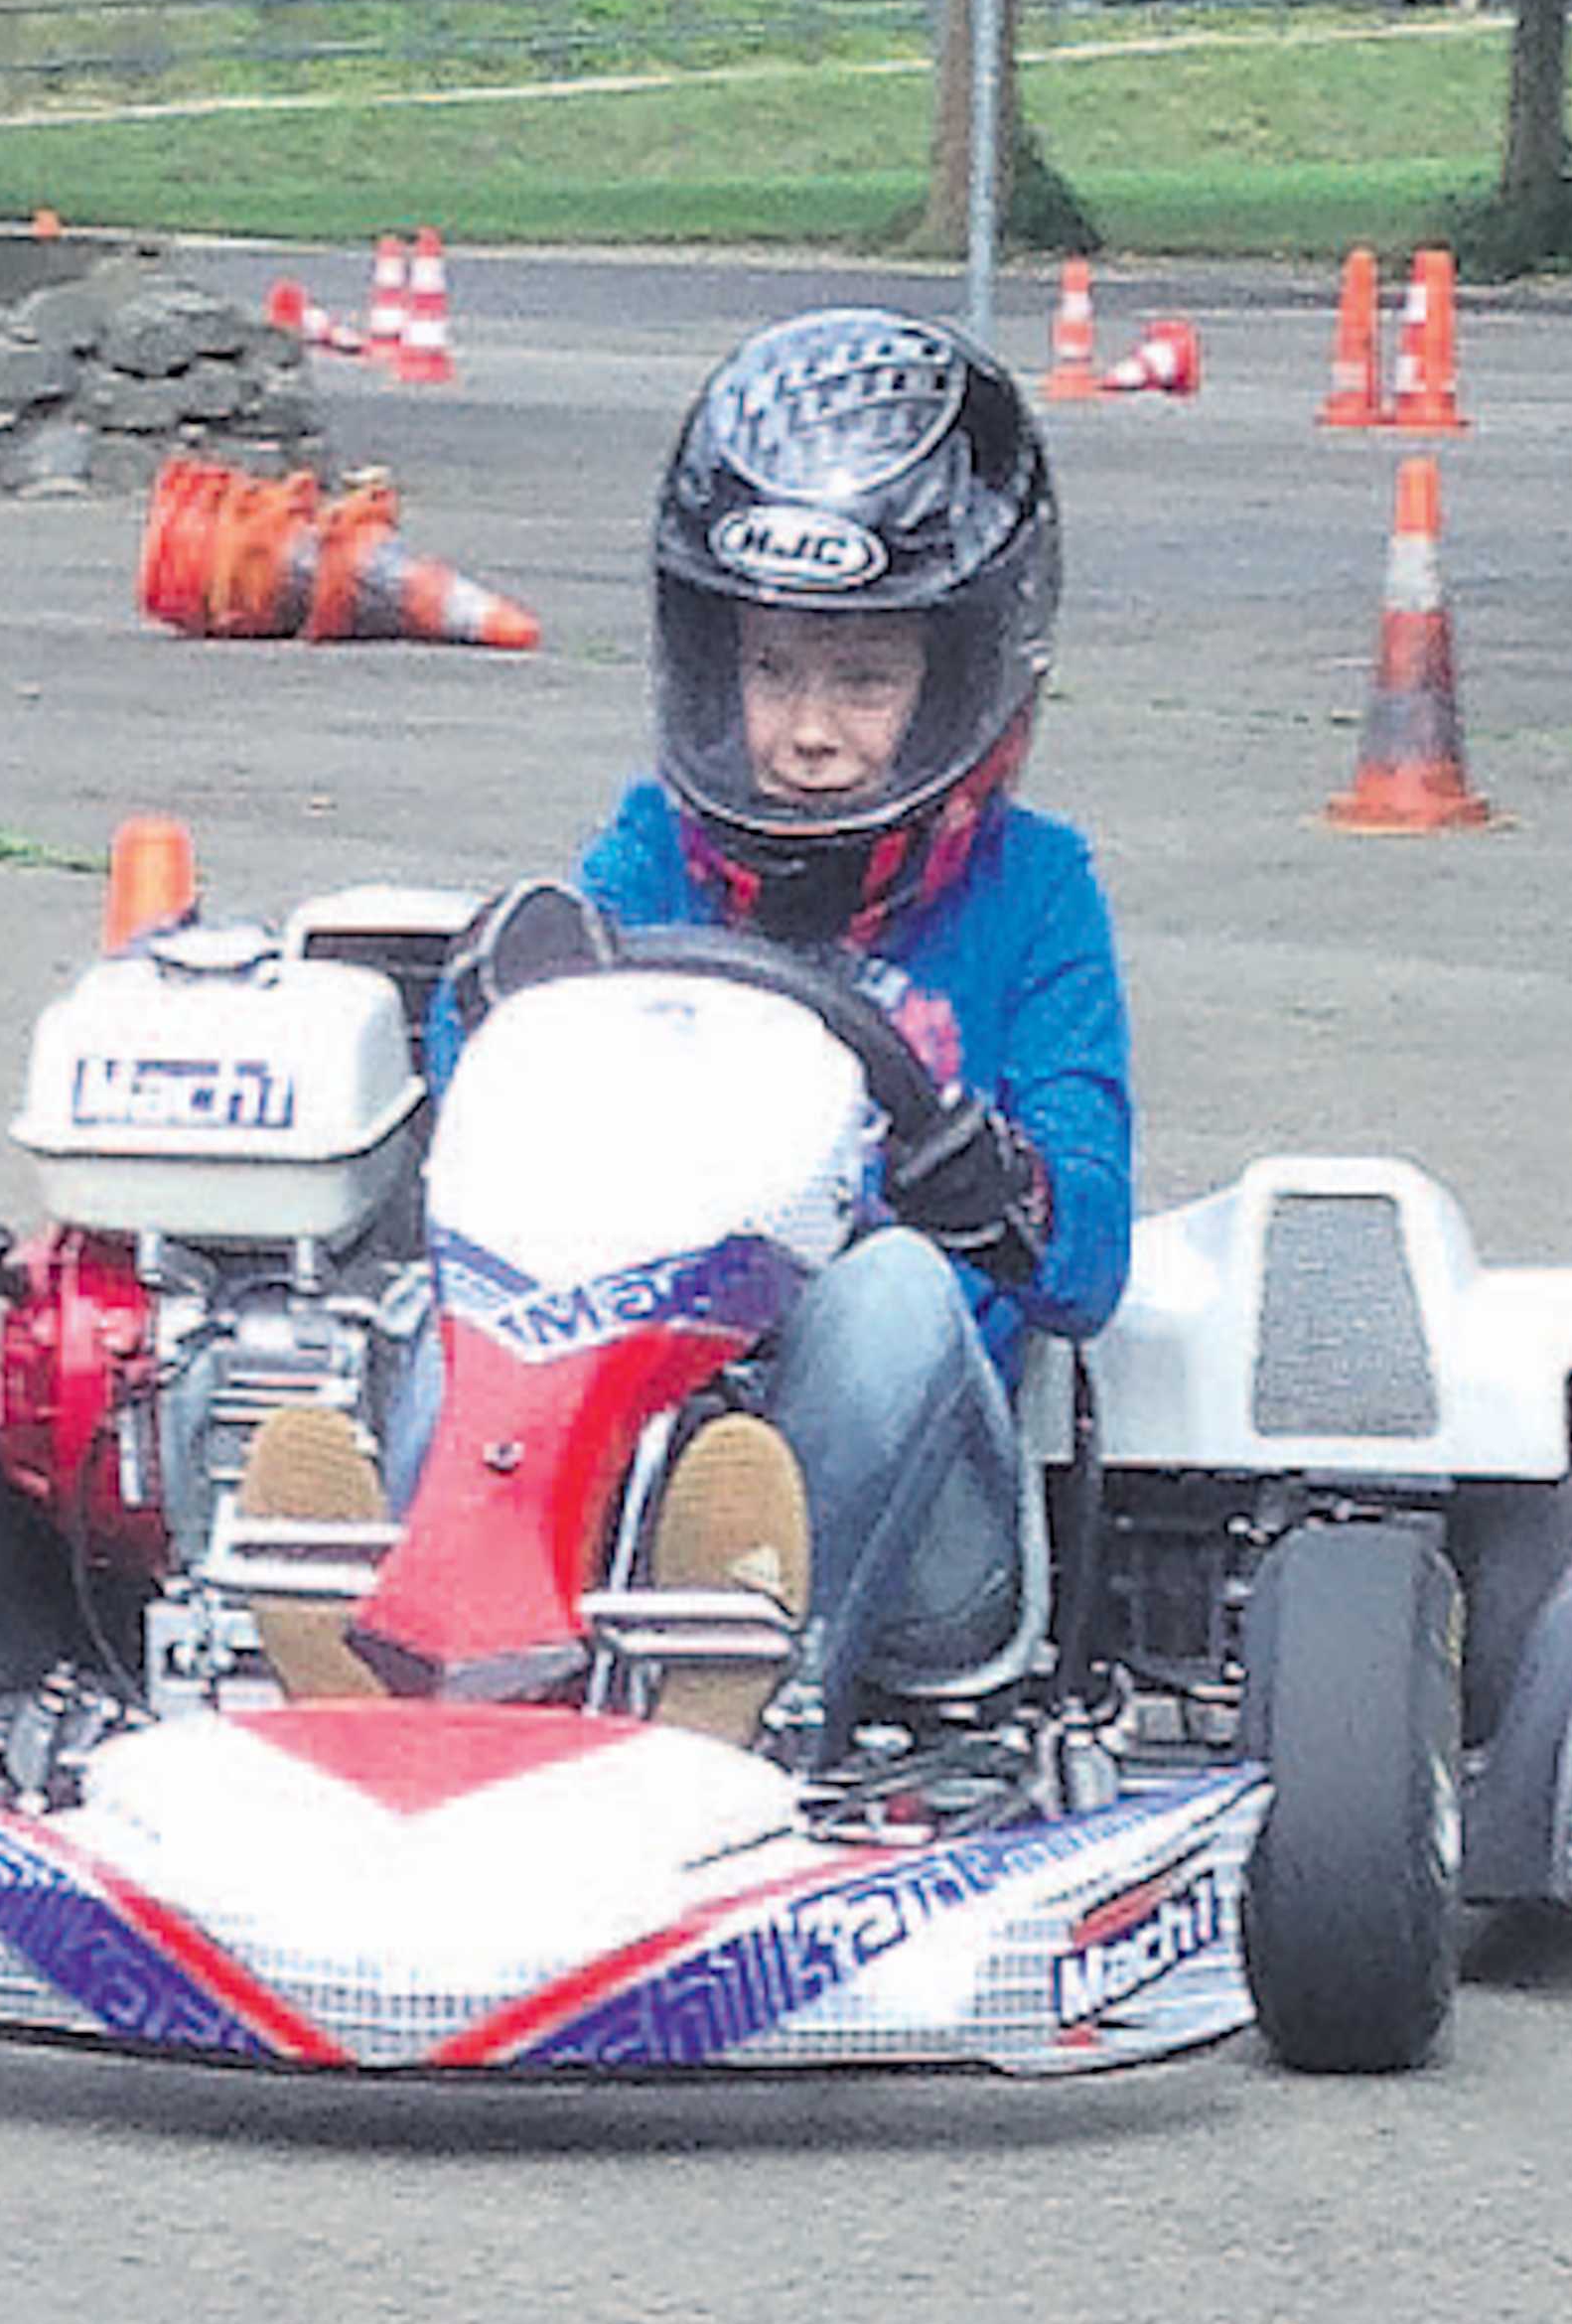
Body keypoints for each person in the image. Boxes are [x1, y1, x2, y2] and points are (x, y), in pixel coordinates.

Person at [408, 308, 1132, 1768]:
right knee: (449, 1314)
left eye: (864, 683)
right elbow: (485, 1084)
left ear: (971, 673)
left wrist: (985, 1181)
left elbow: (1095, 1248)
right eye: (775, 674)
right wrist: (487, 992)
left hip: (930, 1543)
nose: (808, 731)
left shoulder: (1037, 895)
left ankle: (750, 1721)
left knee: (896, 1297)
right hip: (635, 1425)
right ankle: (427, 1662)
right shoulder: (652, 853)